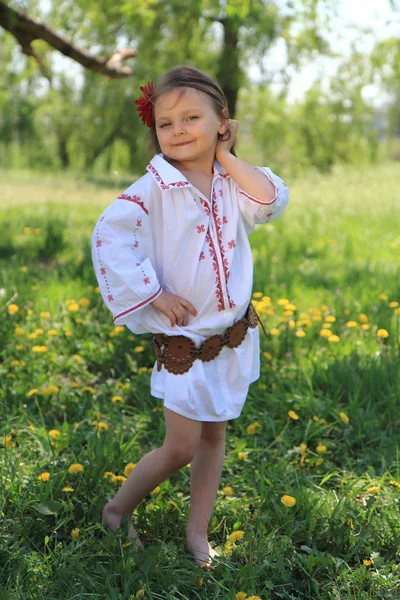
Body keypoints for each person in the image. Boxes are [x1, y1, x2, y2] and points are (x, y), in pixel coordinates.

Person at [91, 65, 289, 568]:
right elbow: (110, 238)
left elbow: (269, 200)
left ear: (222, 122)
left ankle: (196, 533)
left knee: (214, 435)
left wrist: (225, 155)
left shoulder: (231, 181)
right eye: (165, 123)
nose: (177, 130)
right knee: (180, 445)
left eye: (192, 118)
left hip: (230, 336)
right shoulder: (153, 188)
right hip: (185, 341)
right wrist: (153, 293)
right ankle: (116, 510)